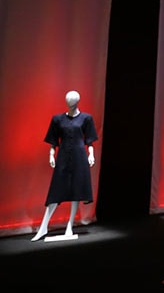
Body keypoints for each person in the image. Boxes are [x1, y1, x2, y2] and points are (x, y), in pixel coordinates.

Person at [32, 90, 98, 241]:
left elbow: (89, 140)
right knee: (56, 190)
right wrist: (51, 154)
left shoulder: (86, 118)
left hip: (80, 157)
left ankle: (70, 226)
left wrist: (91, 154)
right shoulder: (58, 119)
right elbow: (53, 140)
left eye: (72, 100)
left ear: (77, 102)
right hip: (63, 157)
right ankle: (43, 227)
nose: (70, 103)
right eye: (68, 100)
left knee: (76, 190)